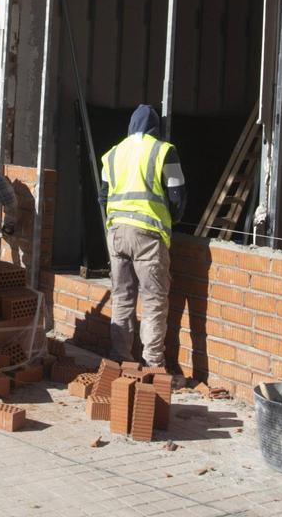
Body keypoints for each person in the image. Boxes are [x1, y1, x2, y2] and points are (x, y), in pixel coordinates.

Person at [99, 104, 186, 370]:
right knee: (153, 300)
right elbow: (177, 194)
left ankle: (119, 359)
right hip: (148, 234)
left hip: (117, 233)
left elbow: (103, 197)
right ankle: (152, 366)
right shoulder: (164, 151)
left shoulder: (112, 154)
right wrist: (173, 219)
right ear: (155, 129)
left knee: (122, 296)